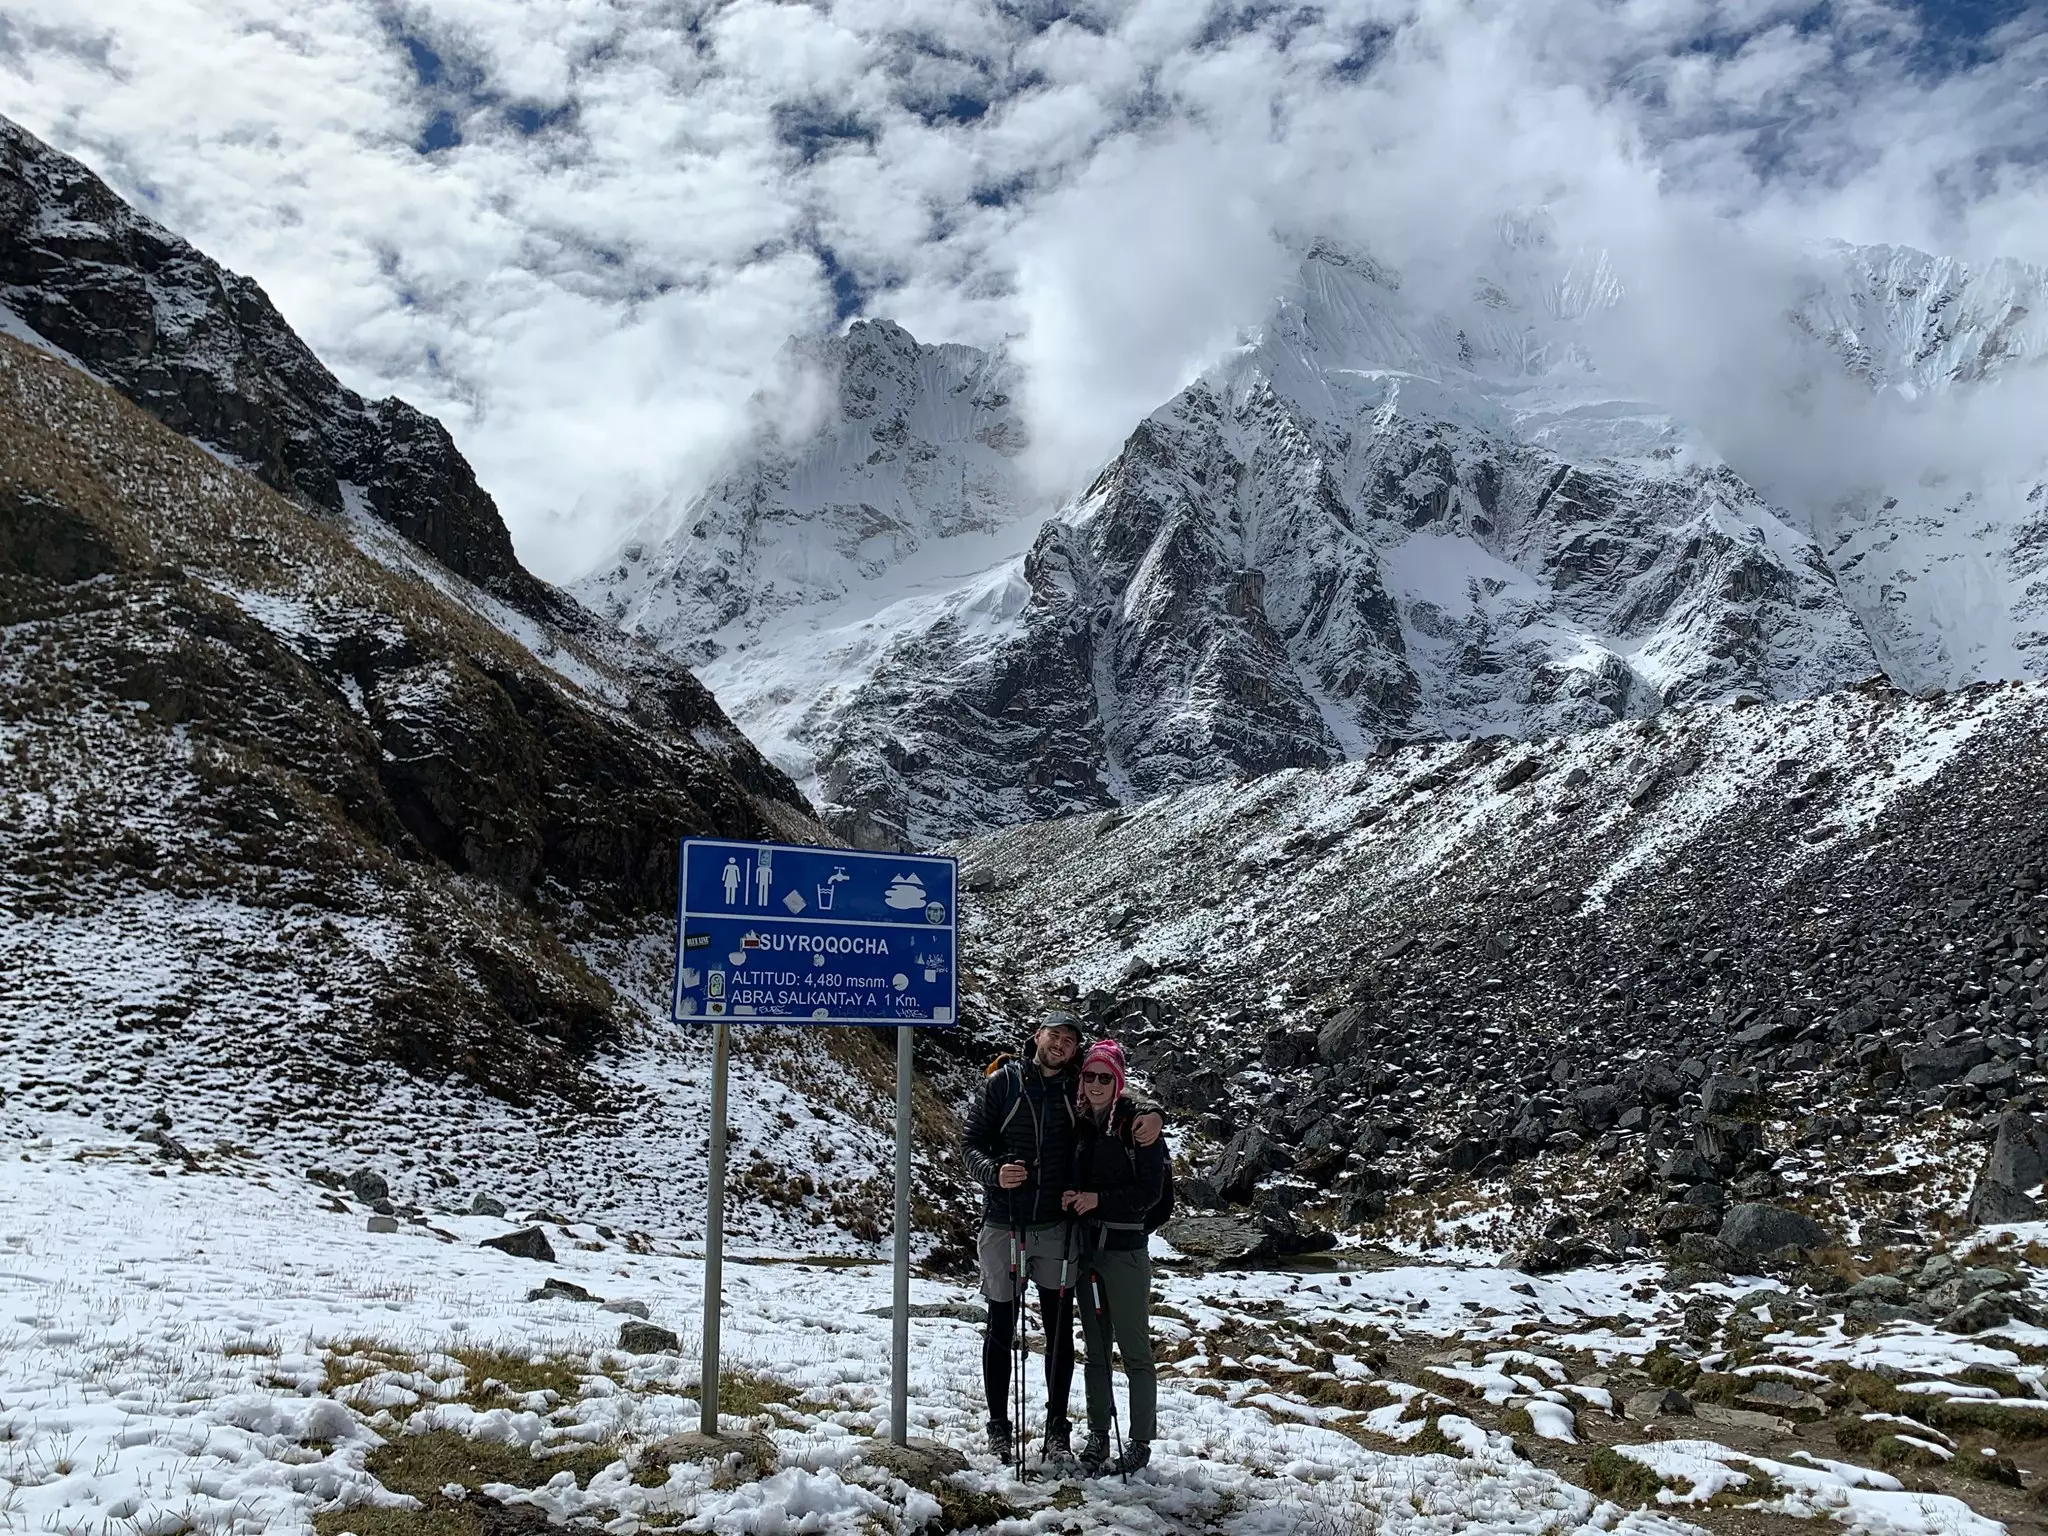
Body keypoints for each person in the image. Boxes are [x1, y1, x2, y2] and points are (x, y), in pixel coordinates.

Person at [961, 1010, 1162, 1465]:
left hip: (1056, 1226)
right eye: (1056, 1035)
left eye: (1071, 1040)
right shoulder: (1003, 1083)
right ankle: (998, 1426)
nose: (1062, 1044)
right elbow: (970, 1143)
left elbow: (1115, 1093)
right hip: (1003, 1220)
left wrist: (1153, 1111)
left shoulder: (1075, 1086)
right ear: (1038, 1035)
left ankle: (1056, 1428)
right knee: (1000, 1326)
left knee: (1058, 1332)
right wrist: (992, 1173)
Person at [1064, 1038, 1167, 1476]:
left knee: (1135, 1349)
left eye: (1106, 1076)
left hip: (1124, 1253)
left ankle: (1140, 1440)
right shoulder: (1079, 1120)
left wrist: (1095, 1201)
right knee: (1096, 1351)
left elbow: (1150, 1194)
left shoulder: (1136, 1124)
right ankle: (1099, 1435)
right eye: (1089, 1075)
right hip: (1088, 1251)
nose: (1096, 1083)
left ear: (1118, 1080)